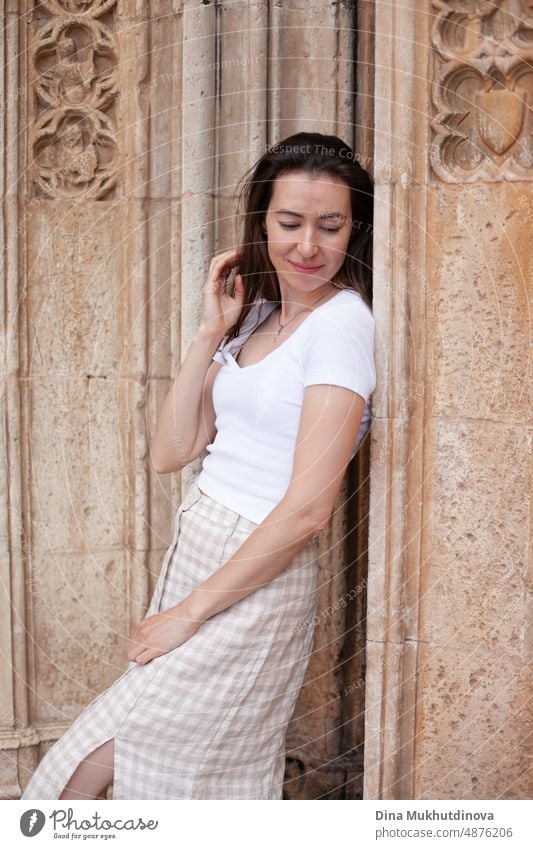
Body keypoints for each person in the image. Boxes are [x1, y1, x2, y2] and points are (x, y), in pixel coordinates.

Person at [21, 131, 376, 800]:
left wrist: (187, 614)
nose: (307, 245)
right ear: (260, 222)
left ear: (352, 230)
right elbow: (171, 451)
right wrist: (209, 332)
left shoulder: (343, 326)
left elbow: (306, 510)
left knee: (77, 775)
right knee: (194, 785)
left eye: (329, 226)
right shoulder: (260, 313)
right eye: (289, 222)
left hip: (254, 575)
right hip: (199, 549)